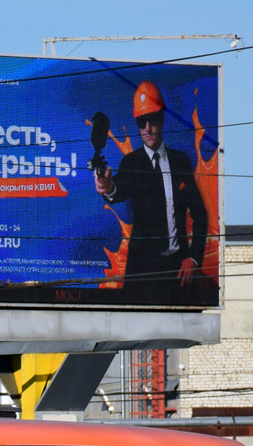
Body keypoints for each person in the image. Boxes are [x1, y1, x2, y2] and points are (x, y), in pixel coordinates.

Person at [93, 81, 210, 305]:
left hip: (177, 272)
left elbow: (200, 214)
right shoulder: (132, 162)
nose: (147, 127)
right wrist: (108, 188)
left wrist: (194, 258)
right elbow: (118, 189)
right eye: (141, 122)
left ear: (162, 117)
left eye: (152, 119)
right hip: (142, 273)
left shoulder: (180, 161)